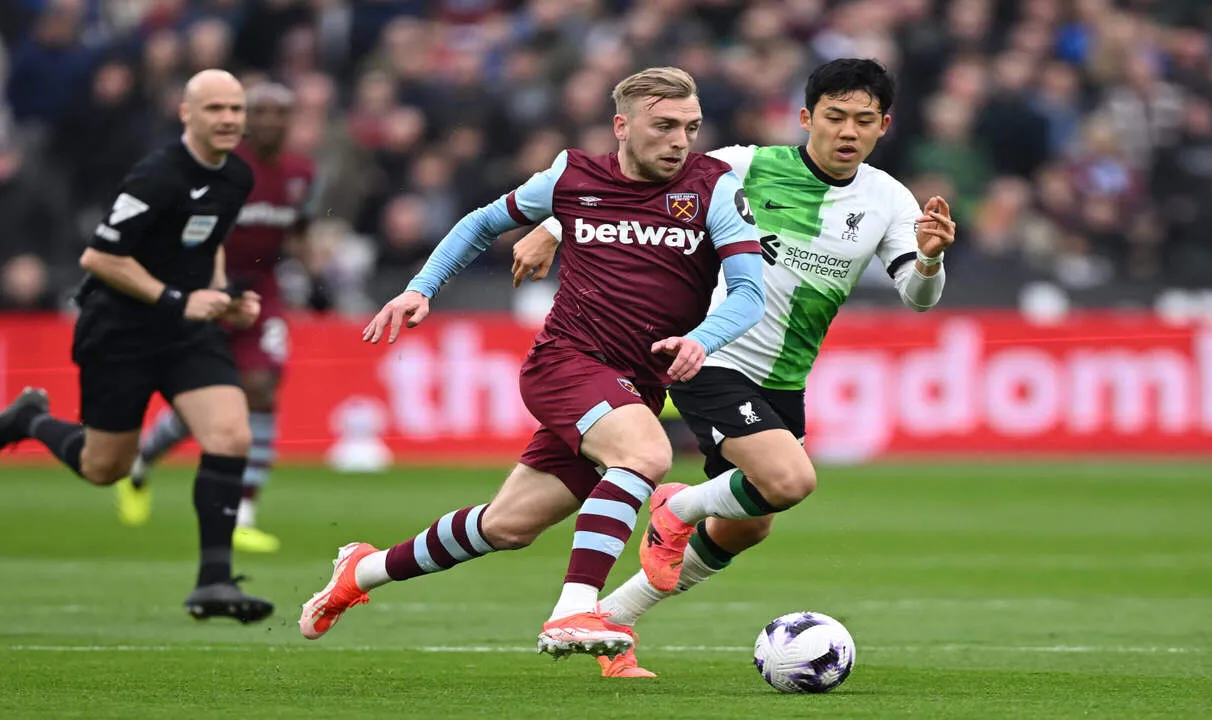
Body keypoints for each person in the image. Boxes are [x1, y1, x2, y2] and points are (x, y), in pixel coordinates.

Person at [297, 67, 765, 666]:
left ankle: (360, 571)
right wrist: (423, 288)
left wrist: (701, 338)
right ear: (622, 126)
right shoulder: (571, 176)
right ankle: (574, 608)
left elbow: (749, 293)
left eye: (691, 128)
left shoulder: (714, 187)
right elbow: (481, 223)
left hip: (634, 385)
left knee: (507, 527)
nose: (679, 141)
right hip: (566, 362)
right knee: (646, 457)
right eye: (665, 126)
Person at [510, 58, 956, 676]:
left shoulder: (889, 200)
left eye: (863, 120)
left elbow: (917, 295)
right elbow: (639, 186)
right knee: (791, 480)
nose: (846, 132)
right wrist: (555, 226)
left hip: (785, 376)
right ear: (806, 119)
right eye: (833, 117)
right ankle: (676, 509)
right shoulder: (745, 164)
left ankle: (613, 618)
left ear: (884, 125)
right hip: (708, 353)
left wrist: (930, 259)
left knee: (749, 527)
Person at [0, 69, 275, 623]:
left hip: (186, 331)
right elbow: (98, 258)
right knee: (106, 467)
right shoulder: (156, 175)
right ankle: (30, 420)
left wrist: (223, 296)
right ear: (186, 114)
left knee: (231, 431)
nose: (228, 119)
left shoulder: (237, 177)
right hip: (120, 331)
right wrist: (177, 298)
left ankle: (213, 583)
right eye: (215, 108)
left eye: (236, 109)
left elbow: (212, 242)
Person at [116, 82, 320, 554]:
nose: (269, 121)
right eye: (260, 112)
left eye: (278, 114)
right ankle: (143, 462)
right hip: (208, 286)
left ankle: (244, 512)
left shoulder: (302, 174)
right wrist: (209, 289)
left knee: (262, 389)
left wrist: (318, 280)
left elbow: (301, 231)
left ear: (290, 122)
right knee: (206, 400)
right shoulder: (226, 168)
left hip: (264, 292)